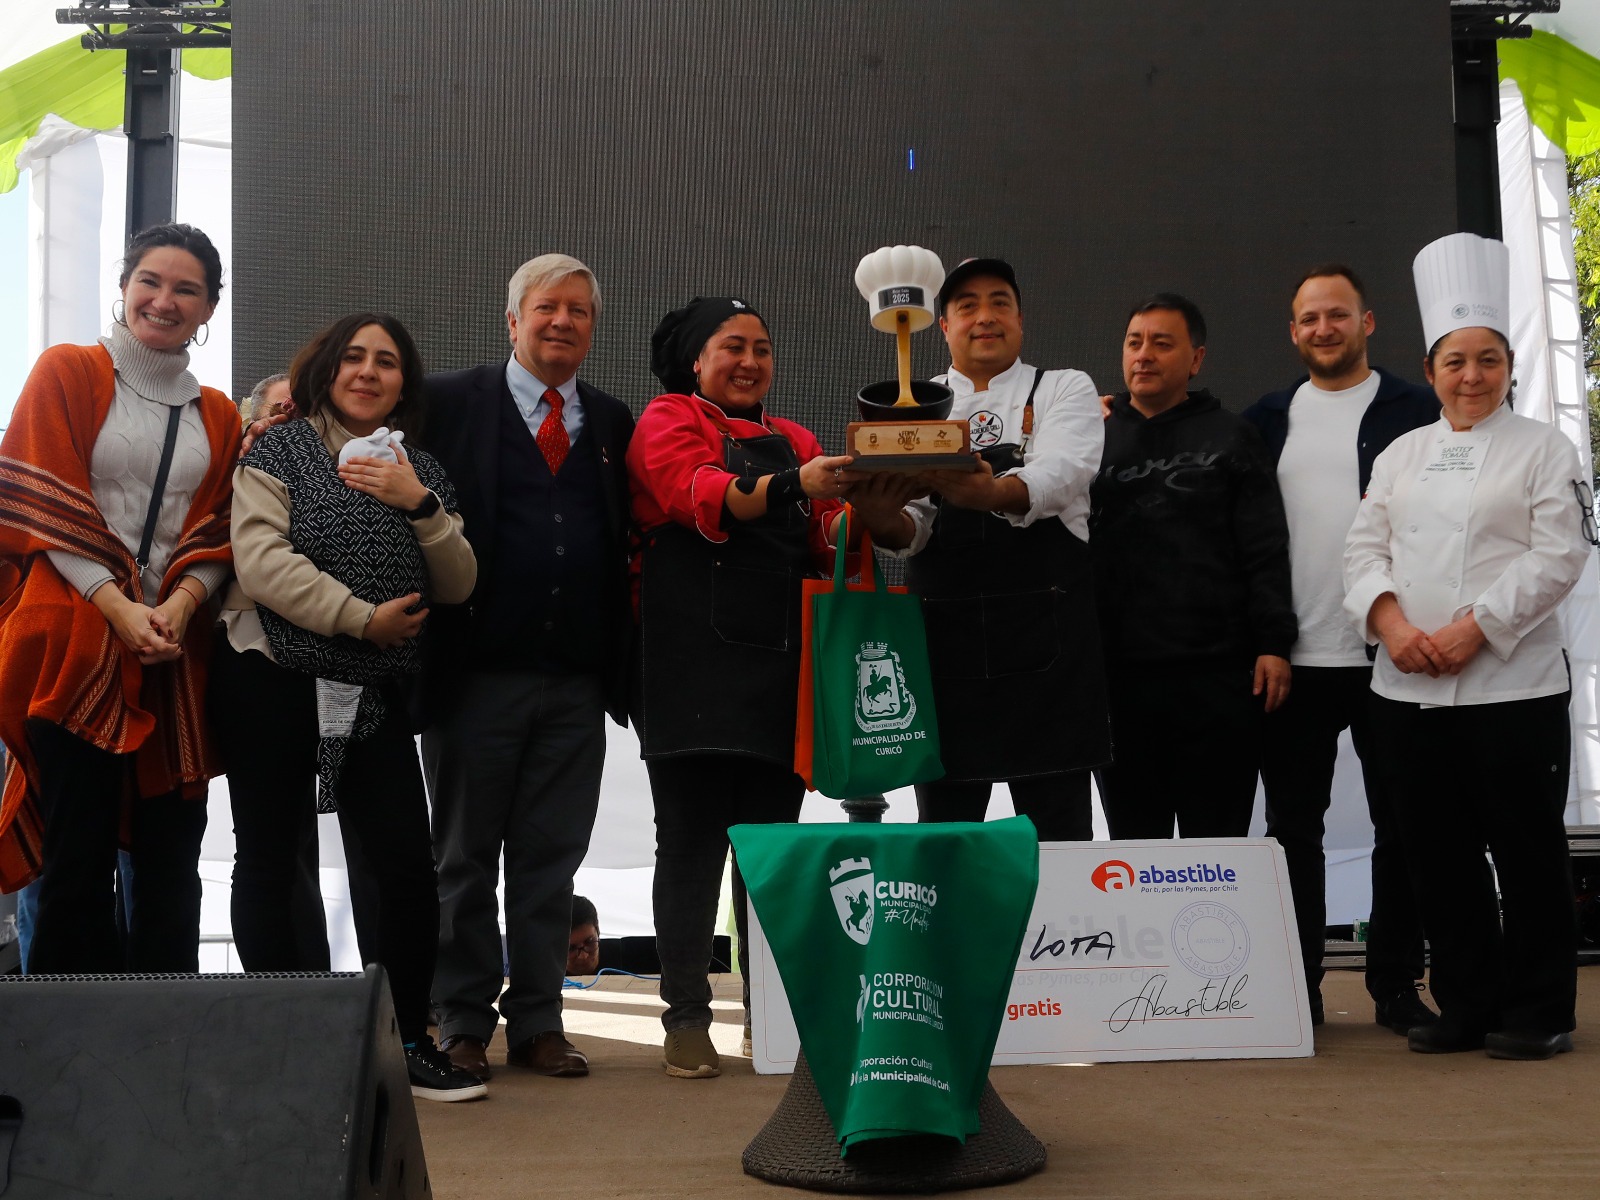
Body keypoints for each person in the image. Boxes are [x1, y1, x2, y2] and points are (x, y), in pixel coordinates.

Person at [214, 311, 484, 1101]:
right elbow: (261, 562)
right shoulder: (277, 450)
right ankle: (284, 1045)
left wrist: (418, 504)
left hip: (371, 693)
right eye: (354, 357)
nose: (369, 371)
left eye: (387, 362)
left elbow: (459, 581)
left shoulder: (421, 469)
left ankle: (407, 1042)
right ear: (326, 368)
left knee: (405, 865)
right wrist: (360, 618)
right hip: (269, 675)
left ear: (404, 383)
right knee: (270, 857)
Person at [1345, 232, 1591, 1060]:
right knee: (1436, 854)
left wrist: (1472, 628)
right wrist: (1392, 626)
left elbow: (1559, 555)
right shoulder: (1402, 454)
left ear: (1510, 366)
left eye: (1489, 359)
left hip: (1513, 686)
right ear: (1431, 368)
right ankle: (1466, 1004)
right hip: (1407, 686)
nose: (1472, 376)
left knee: (1526, 852)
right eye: (1456, 361)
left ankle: (1540, 1010)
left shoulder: (1546, 450)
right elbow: (1363, 550)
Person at [0, 223, 238, 973]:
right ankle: (65, 1036)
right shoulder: (67, 370)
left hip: (172, 650)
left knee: (172, 861)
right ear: (124, 286)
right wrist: (118, 605)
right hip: (72, 645)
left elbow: (220, 531)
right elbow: (40, 502)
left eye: (186, 290)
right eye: (150, 282)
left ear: (209, 309)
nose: (164, 300)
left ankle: (169, 1032)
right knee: (75, 858)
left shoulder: (221, 413)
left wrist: (179, 608)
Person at [421, 254, 635, 1085]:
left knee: (551, 861)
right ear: (512, 320)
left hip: (576, 683)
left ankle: (540, 1022)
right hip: (473, 679)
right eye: (547, 307)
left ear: (593, 327)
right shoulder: (446, 401)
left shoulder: (610, 421)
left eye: (579, 310)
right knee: (463, 859)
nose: (562, 322)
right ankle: (462, 1020)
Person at [629, 296, 852, 1079]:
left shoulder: (797, 438)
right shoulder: (668, 418)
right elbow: (697, 493)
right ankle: (686, 1018)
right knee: (690, 845)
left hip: (781, 664)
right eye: (733, 346)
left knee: (772, 849)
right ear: (695, 361)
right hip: (686, 661)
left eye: (762, 347)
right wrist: (796, 485)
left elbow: (828, 537)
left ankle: (774, 1019)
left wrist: (873, 507)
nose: (751, 361)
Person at [1242, 265, 1440, 1032]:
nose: (1324, 328)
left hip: (1393, 652)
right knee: (1293, 828)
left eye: (1338, 314)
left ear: (1367, 322)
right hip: (1292, 658)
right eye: (1310, 318)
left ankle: (1395, 985)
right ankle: (1300, 991)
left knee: (1404, 822)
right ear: (1293, 332)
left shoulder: (1417, 409)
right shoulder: (1265, 419)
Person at [850, 258, 1110, 839]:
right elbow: (912, 529)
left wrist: (991, 492)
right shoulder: (916, 405)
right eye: (967, 306)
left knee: (1058, 842)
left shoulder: (1063, 387)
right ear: (943, 325)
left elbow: (1062, 473)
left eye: (999, 303)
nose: (985, 317)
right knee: (945, 842)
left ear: (1020, 319)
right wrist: (877, 514)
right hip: (945, 656)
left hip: (1048, 659)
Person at [1090, 294, 1296, 839]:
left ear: (1196, 359)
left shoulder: (1233, 434)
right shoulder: (1090, 435)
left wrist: (1274, 643)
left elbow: (1265, 545)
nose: (1144, 355)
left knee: (1219, 847)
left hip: (1219, 678)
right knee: (1135, 848)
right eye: (1134, 342)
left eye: (1162, 343)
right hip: (1118, 680)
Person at [568, 894, 600, 977]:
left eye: (590, 942)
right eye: (570, 948)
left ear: (598, 933)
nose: (583, 956)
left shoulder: (625, 957)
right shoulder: (540, 975)